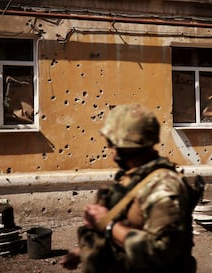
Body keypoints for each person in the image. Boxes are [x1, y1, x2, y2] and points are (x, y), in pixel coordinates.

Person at [60, 103, 203, 273]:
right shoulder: (131, 178)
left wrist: (108, 225)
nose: (109, 148)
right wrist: (85, 252)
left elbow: (161, 252)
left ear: (124, 144)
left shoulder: (163, 186)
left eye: (111, 142)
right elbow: (128, 228)